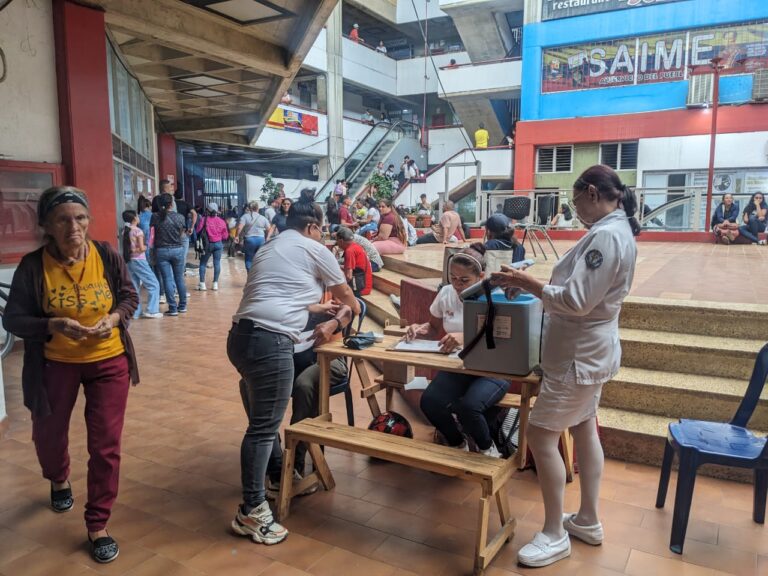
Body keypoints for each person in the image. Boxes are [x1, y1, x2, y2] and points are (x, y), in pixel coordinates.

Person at [490, 165, 639, 567]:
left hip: (578, 356)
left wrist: (527, 284)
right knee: (584, 427)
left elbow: (576, 301)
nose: (574, 210)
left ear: (592, 193)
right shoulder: (616, 230)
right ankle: (587, 518)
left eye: (575, 201)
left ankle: (555, 532)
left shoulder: (606, 235)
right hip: (589, 352)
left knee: (540, 437)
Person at [3, 186, 140, 564]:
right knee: (48, 433)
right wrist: (53, 324)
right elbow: (12, 318)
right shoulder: (33, 266)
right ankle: (58, 477)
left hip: (109, 359)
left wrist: (113, 319)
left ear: (89, 221)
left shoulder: (106, 255)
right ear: (46, 225)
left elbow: (129, 296)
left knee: (106, 444)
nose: (73, 227)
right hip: (55, 362)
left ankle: (98, 523)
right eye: (62, 219)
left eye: (80, 218)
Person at [227, 197, 360, 545]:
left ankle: (277, 473)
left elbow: (280, 296)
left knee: (262, 417)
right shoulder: (315, 249)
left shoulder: (271, 247)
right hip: (270, 343)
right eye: (322, 230)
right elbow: (352, 302)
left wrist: (319, 310)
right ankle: (251, 510)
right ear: (313, 227)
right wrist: (341, 316)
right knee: (262, 428)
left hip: (240, 338)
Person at [405, 244, 505, 456]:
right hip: (458, 366)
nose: (457, 285)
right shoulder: (446, 293)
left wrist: (465, 337)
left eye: (464, 280)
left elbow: (503, 339)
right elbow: (432, 327)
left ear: (481, 276)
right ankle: (456, 442)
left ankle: (488, 450)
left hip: (494, 368)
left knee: (469, 408)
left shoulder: (495, 296)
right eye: (453, 278)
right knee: (430, 401)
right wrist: (418, 329)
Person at [151, 193, 188, 316]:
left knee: (167, 279)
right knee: (179, 278)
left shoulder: (155, 217)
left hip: (161, 251)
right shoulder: (180, 217)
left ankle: (172, 308)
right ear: (172, 204)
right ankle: (182, 306)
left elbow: (152, 234)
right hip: (178, 250)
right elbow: (182, 234)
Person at [122, 210, 162, 319]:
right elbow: (141, 248)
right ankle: (152, 310)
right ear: (134, 218)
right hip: (139, 260)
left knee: (134, 286)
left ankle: (135, 312)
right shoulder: (138, 231)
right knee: (154, 284)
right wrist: (146, 246)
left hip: (130, 260)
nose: (139, 216)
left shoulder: (125, 231)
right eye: (137, 215)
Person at [195, 203, 229, 291]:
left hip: (207, 244)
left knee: (203, 263)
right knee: (217, 263)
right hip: (218, 244)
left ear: (207, 210)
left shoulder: (204, 220)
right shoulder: (222, 221)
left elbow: (198, 230)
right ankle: (215, 284)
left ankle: (202, 284)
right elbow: (225, 236)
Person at [337, 226, 372, 296]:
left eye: (337, 240)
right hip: (365, 284)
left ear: (341, 241)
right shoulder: (356, 246)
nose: (336, 243)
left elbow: (349, 276)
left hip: (361, 289)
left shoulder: (349, 251)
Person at [237, 202, 270, 271]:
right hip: (261, 240)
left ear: (249, 208)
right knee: (259, 259)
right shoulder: (263, 218)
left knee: (249, 259)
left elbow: (239, 228)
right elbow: (269, 229)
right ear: (258, 208)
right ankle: (258, 276)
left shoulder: (245, 216)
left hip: (249, 240)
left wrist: (236, 236)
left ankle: (250, 276)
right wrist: (267, 238)